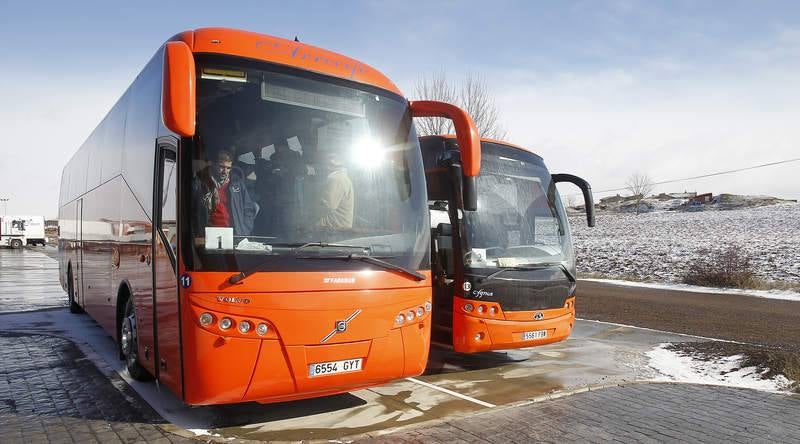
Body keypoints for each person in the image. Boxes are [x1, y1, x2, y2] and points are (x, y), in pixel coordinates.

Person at [193, 150, 257, 236]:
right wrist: (199, 233)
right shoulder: (201, 184)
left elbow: (249, 209)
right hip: (208, 236)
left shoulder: (237, 184)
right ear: (213, 165)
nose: (225, 171)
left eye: (228, 168)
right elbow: (194, 211)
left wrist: (244, 231)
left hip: (234, 236)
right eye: (221, 167)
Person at [313, 151, 354, 229]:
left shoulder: (335, 179)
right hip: (339, 228)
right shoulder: (342, 177)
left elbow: (327, 206)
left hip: (332, 229)